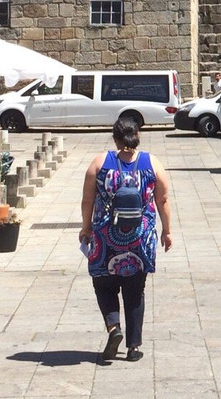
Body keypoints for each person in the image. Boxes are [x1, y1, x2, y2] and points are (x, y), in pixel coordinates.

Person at [79, 117, 173, 363]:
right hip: (139, 239)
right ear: (137, 136)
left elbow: (87, 200)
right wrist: (167, 231)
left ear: (115, 138)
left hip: (105, 239)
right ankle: (133, 348)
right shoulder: (151, 163)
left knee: (104, 285)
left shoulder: (101, 163)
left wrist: (86, 228)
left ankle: (113, 328)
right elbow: (162, 200)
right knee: (135, 291)